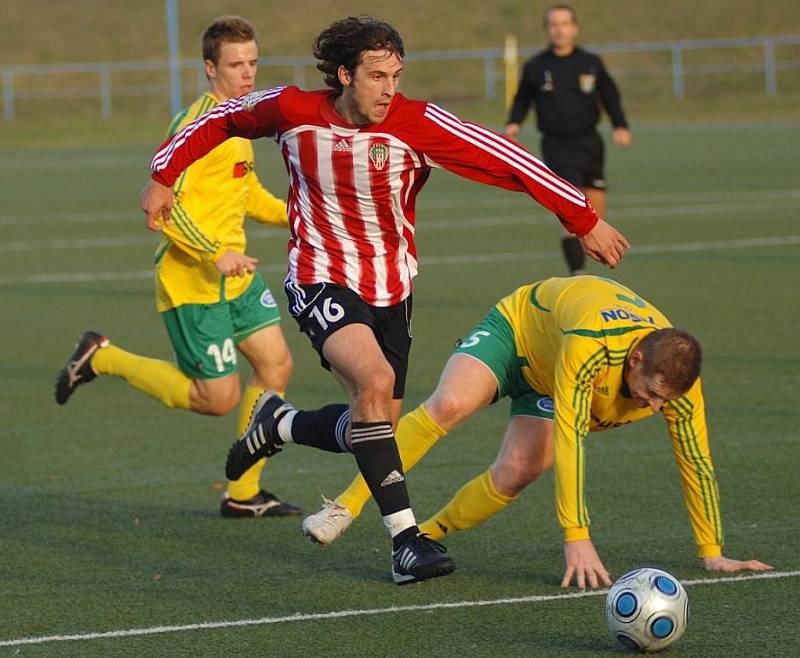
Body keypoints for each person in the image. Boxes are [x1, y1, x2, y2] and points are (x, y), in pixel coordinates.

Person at [140, 16, 630, 585]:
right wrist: (162, 174)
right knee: (373, 385)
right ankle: (407, 542)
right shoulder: (292, 111)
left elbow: (502, 156)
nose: (388, 89)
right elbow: (221, 119)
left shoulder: (415, 122)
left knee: (377, 428)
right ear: (344, 74)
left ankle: (281, 424)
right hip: (318, 275)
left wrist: (582, 218)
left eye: (396, 76)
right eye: (376, 76)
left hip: (391, 288)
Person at [302, 276, 772, 589]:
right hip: (518, 334)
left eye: (662, 402)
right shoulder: (593, 345)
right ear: (635, 360)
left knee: (519, 471)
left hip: (550, 379)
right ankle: (345, 506)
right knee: (450, 404)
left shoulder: (677, 386)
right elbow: (570, 435)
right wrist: (577, 535)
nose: (653, 407)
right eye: (648, 393)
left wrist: (712, 552)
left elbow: (696, 461)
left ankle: (421, 536)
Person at [56, 16, 300, 519]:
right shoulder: (194, 126)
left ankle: (243, 491)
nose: (248, 74)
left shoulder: (240, 124)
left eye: (253, 63)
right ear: (210, 68)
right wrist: (216, 253)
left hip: (237, 277)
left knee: (276, 366)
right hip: (193, 280)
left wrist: (298, 218)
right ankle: (102, 357)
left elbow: (245, 190)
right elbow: (163, 209)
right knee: (216, 399)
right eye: (236, 65)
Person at [506, 4, 633, 276]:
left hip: (590, 142)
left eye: (564, 24)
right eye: (553, 24)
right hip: (556, 145)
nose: (559, 29)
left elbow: (609, 95)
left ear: (574, 28)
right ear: (547, 30)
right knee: (571, 207)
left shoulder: (590, 62)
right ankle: (577, 273)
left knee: (596, 213)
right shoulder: (536, 66)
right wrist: (515, 121)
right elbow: (523, 98)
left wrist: (620, 124)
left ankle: (594, 272)